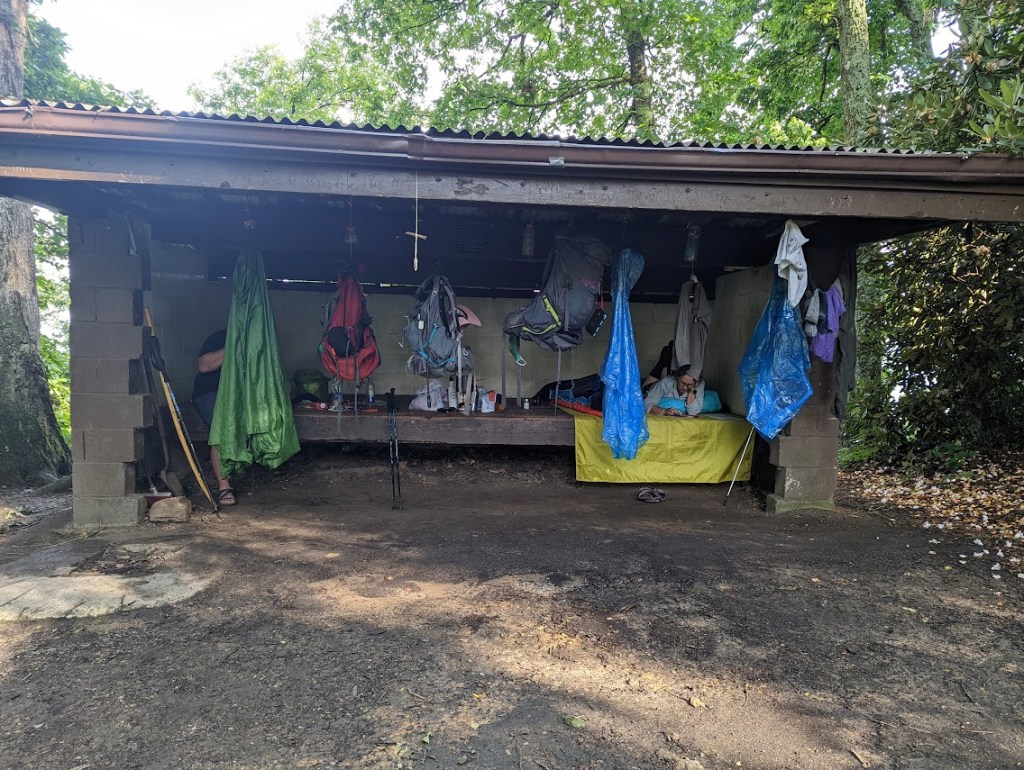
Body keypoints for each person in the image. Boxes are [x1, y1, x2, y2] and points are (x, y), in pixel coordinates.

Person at [192, 329, 236, 506]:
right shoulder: (219, 337)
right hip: (211, 393)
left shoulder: (261, 339)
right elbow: (204, 366)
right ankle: (224, 485)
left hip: (240, 396)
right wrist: (234, 343)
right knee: (222, 427)